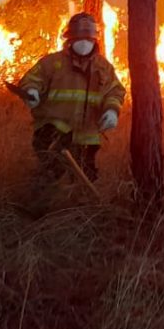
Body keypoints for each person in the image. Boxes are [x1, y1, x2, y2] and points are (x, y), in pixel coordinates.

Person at [17, 12, 125, 201]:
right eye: (79, 38)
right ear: (70, 38)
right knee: (50, 174)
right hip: (54, 130)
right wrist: (32, 92)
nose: (84, 43)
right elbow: (31, 80)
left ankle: (79, 215)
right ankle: (39, 211)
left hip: (87, 135)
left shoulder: (103, 67)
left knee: (86, 179)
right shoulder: (52, 63)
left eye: (88, 38)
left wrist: (111, 111)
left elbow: (114, 92)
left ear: (95, 39)